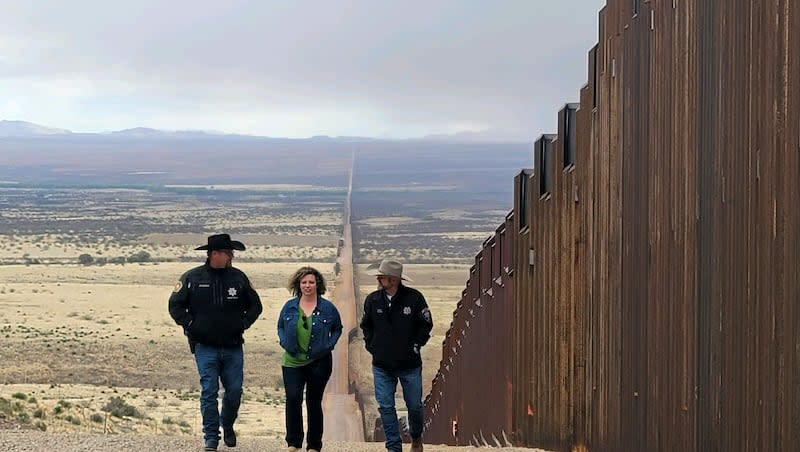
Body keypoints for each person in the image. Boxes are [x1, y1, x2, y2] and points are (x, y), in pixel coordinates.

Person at [168, 233, 263, 451]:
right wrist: (192, 325)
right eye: (229, 253)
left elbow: (256, 306)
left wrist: (242, 323)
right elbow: (175, 306)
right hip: (205, 347)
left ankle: (227, 424)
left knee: (235, 390)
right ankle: (211, 436)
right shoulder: (192, 278)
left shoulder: (239, 278)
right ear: (214, 254)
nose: (232, 257)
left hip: (232, 347)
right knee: (208, 391)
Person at [360, 260, 432, 452]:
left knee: (414, 406)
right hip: (382, 365)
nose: (378, 278)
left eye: (381, 276)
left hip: (409, 365)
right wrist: (372, 345)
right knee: (385, 406)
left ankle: (416, 437)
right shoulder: (373, 300)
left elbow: (425, 325)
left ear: (393, 280)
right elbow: (366, 325)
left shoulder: (414, 299)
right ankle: (394, 446)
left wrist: (416, 345)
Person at [277, 266, 343, 452]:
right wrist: (283, 341)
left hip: (319, 362)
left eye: (311, 282)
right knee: (293, 398)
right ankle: (293, 442)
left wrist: (329, 345)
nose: (308, 285)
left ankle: (314, 445)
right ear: (299, 284)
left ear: (317, 284)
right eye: (304, 282)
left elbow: (338, 328)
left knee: (314, 401)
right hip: (292, 361)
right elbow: (280, 325)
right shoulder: (289, 306)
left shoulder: (327, 308)